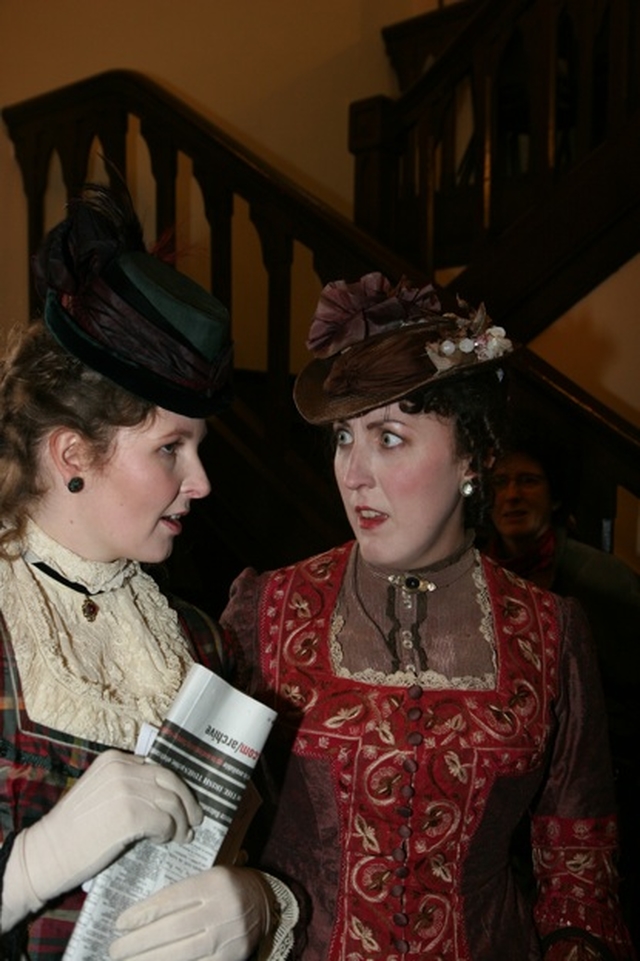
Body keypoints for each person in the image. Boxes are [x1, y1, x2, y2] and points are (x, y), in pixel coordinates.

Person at [220, 272, 636, 961]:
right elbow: (196, 826)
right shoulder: (267, 608)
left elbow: (578, 873)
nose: (353, 473)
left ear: (473, 454)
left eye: (388, 438)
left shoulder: (549, 631)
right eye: (343, 439)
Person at [0, 182, 296, 961]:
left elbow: (266, 843)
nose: (200, 481)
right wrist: (28, 867)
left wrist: (262, 905)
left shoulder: (194, 642)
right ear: (73, 454)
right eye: (171, 447)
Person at [484, 424, 640, 948]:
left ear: (554, 497)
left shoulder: (601, 581)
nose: (511, 495)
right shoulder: (478, 578)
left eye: (528, 481)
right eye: (501, 482)